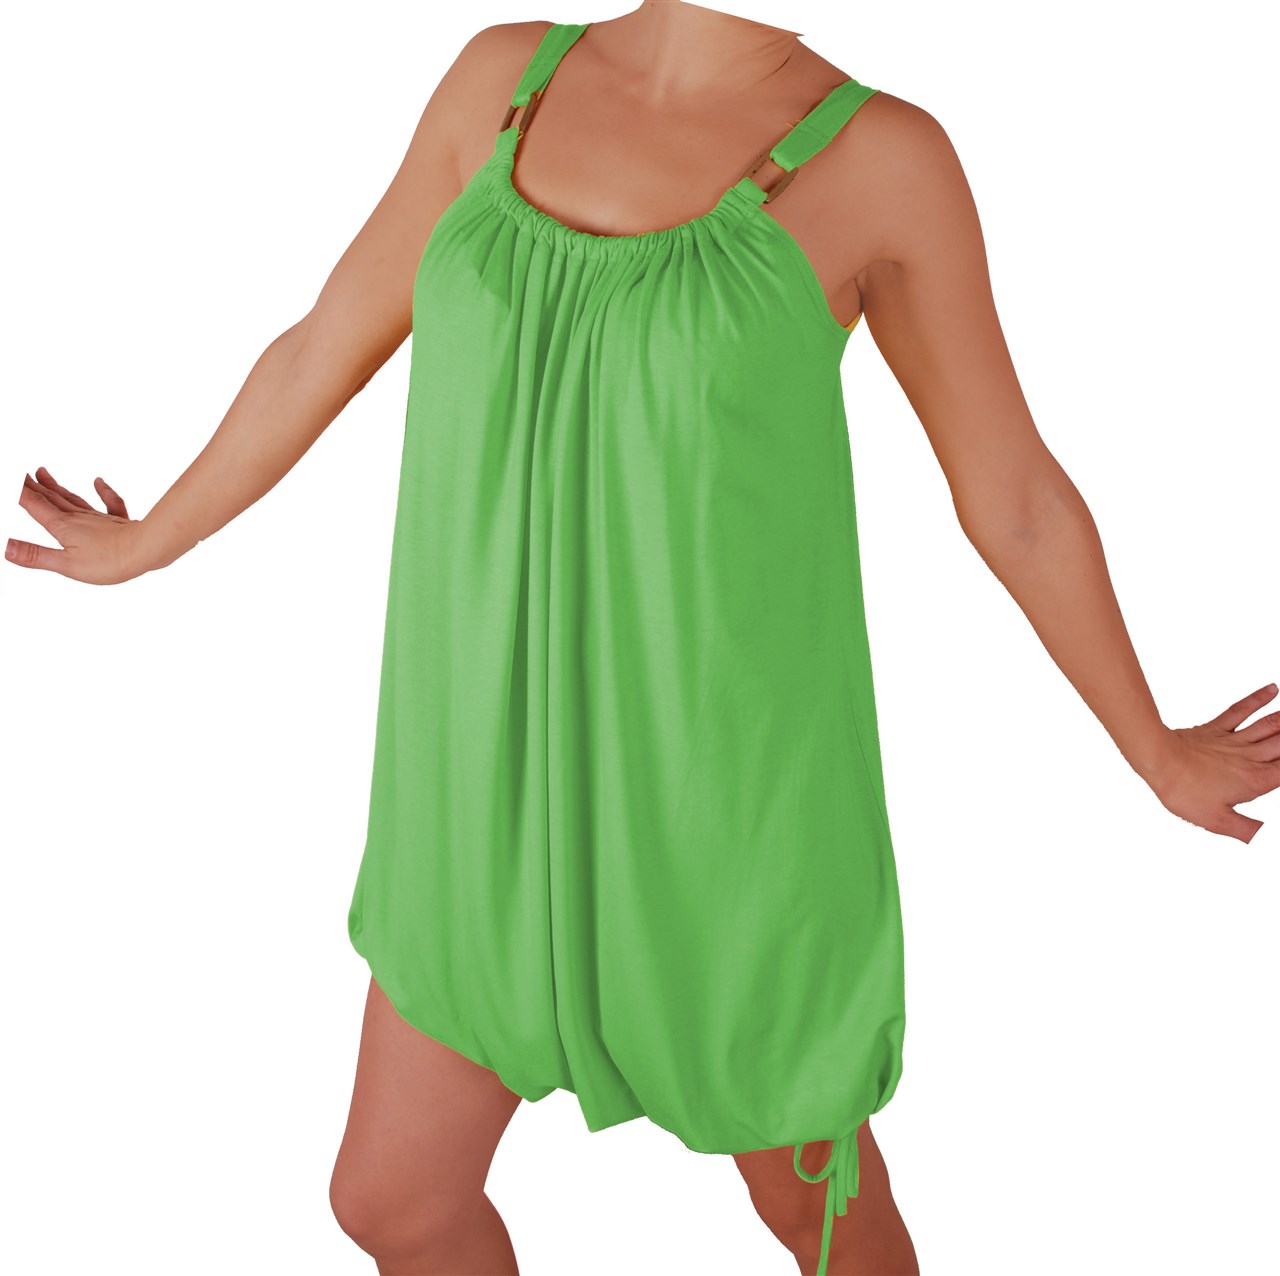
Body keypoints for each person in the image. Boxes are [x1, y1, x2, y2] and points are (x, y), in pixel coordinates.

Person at [8, 6, 1277, 1275]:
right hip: (479, 777)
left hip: (715, 808)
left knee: (813, 1211)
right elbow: (320, 344)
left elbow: (1013, 498)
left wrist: (1153, 750)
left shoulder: (881, 160)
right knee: (392, 1200)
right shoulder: (500, 78)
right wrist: (151, 540)